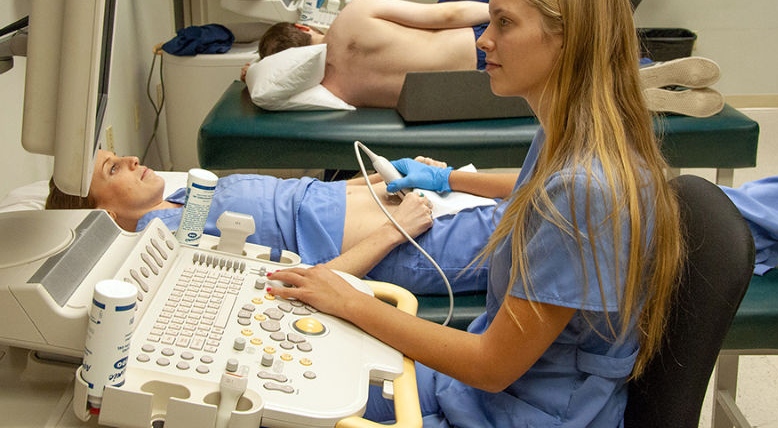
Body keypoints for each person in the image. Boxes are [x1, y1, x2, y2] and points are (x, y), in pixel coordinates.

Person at [262, 0, 685, 427]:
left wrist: (351, 301)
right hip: (481, 394)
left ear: (568, 37)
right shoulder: (570, 133)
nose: (484, 40)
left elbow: (491, 367)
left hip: (519, 413)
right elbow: (539, 186)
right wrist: (447, 177)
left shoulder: (586, 190)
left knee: (288, 409)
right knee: (298, 379)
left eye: (504, 24)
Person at [45, 149, 504, 296]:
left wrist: (393, 181)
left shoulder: (186, 196)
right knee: (549, 228)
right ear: (101, 215)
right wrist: (396, 227)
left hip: (408, 204)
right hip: (413, 243)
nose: (130, 158)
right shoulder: (165, 240)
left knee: (542, 194)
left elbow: (304, 198)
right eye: (112, 170)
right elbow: (302, 284)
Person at [250, 0, 490, 107]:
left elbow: (274, 84)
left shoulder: (332, 91)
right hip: (481, 44)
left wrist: (252, 72)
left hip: (473, 94)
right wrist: (500, 11)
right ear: (303, 26)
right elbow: (449, 15)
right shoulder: (354, 14)